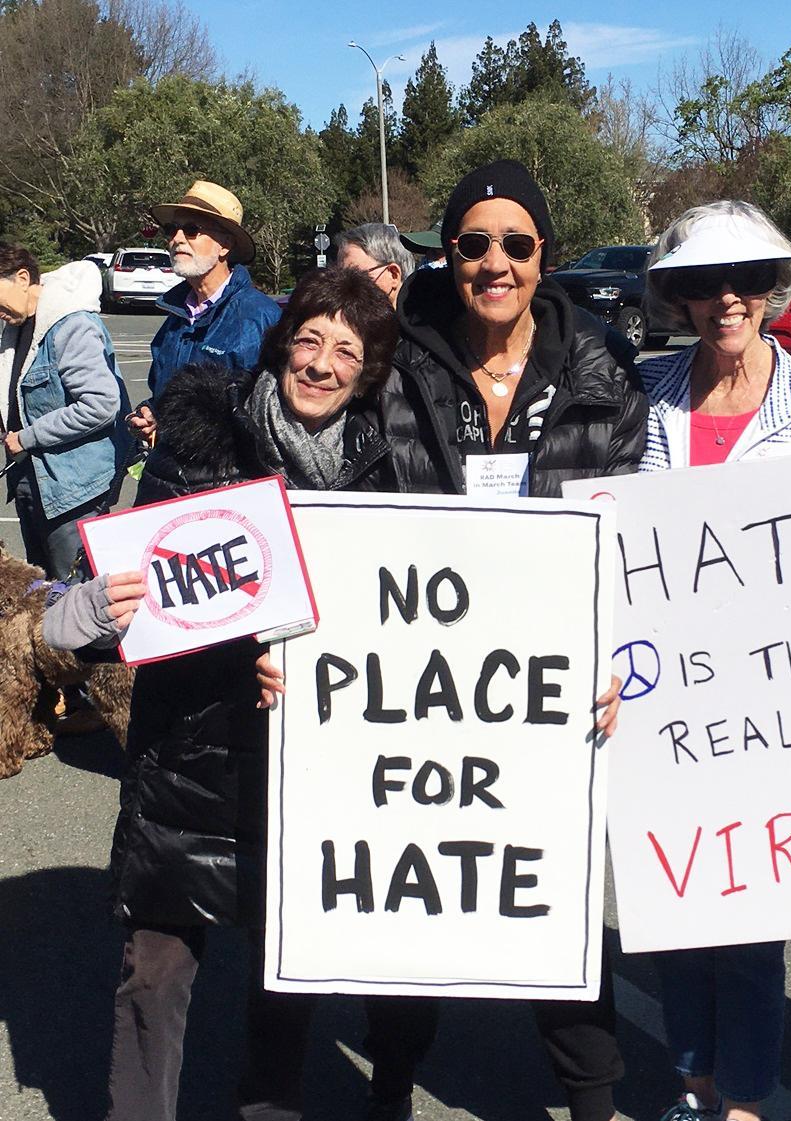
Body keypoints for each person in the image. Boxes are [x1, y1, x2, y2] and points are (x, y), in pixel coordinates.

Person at [261, 158, 645, 1121]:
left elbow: (638, 530)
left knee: (553, 902)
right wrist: (289, 641)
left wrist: (620, 657)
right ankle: (390, 1087)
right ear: (452, 254)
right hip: (421, 673)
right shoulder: (405, 361)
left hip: (545, 683)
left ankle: (592, 1100)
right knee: (414, 903)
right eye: (474, 243)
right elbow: (335, 494)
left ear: (542, 254)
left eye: (516, 243)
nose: (495, 262)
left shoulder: (603, 369)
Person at [106, 267, 398, 1121]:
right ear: (280, 344)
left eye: (347, 351)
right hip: (189, 752)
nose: (321, 364)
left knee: (287, 966)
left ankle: (268, 1107)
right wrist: (245, 654)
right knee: (154, 968)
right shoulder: (199, 436)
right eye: (308, 339)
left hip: (309, 766)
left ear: (369, 371)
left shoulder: (377, 466)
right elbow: (142, 597)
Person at [637, 199, 791, 1121]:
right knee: (676, 910)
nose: (725, 299)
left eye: (746, 281)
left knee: (754, 924)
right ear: (678, 298)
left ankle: (745, 1098)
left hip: (778, 700)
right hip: (665, 698)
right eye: (700, 284)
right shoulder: (645, 397)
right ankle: (691, 1083)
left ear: (773, 291)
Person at [0, 244, 130, 580]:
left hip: (73, 491)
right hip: (32, 481)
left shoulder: (71, 325)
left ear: (23, 277)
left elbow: (99, 404)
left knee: (77, 603)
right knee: (44, 597)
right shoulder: (15, 327)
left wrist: (27, 437)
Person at [131, 180, 281, 444]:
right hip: (169, 475)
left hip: (228, 479)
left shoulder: (260, 317)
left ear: (225, 245)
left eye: (191, 230)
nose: (176, 239)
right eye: (171, 229)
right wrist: (153, 414)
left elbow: (273, 419)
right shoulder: (176, 314)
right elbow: (164, 395)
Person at [335, 222, 416, 307]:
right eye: (339, 275)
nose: (341, 286)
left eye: (353, 276)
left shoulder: (424, 317)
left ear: (393, 274)